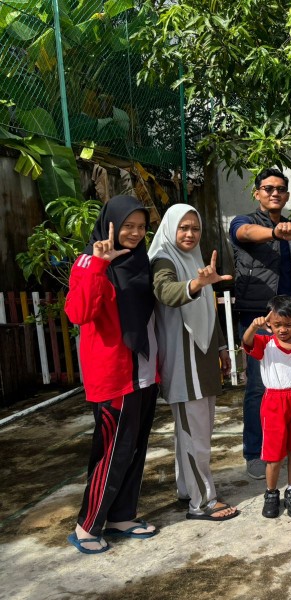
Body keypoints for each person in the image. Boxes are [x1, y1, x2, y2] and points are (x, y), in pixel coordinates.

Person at [64, 195, 159, 553]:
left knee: (134, 448)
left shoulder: (139, 260)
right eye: (127, 226)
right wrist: (98, 266)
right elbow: (79, 313)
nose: (134, 233)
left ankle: (122, 515)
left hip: (144, 370)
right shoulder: (89, 261)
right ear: (110, 224)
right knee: (111, 451)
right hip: (113, 374)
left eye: (140, 226)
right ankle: (87, 526)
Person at [149, 204, 239, 522]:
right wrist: (196, 285)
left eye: (195, 228)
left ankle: (187, 490)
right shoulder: (163, 258)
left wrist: (222, 347)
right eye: (183, 227)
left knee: (193, 430)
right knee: (194, 434)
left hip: (201, 355)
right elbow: (165, 291)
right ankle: (201, 502)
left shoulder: (194, 259)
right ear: (171, 228)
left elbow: (206, 312)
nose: (189, 234)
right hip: (183, 358)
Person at [229, 167, 291, 479]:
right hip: (259, 317)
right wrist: (275, 232)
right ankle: (255, 451)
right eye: (268, 188)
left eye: (280, 188)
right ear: (257, 193)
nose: (274, 193)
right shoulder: (245, 222)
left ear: (287, 194)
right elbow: (243, 234)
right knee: (258, 386)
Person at [241, 296, 291, 519]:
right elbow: (246, 342)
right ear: (268, 323)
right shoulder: (265, 344)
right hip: (274, 402)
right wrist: (253, 327)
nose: (283, 329)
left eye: (288, 324)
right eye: (277, 325)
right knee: (274, 455)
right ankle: (271, 492)